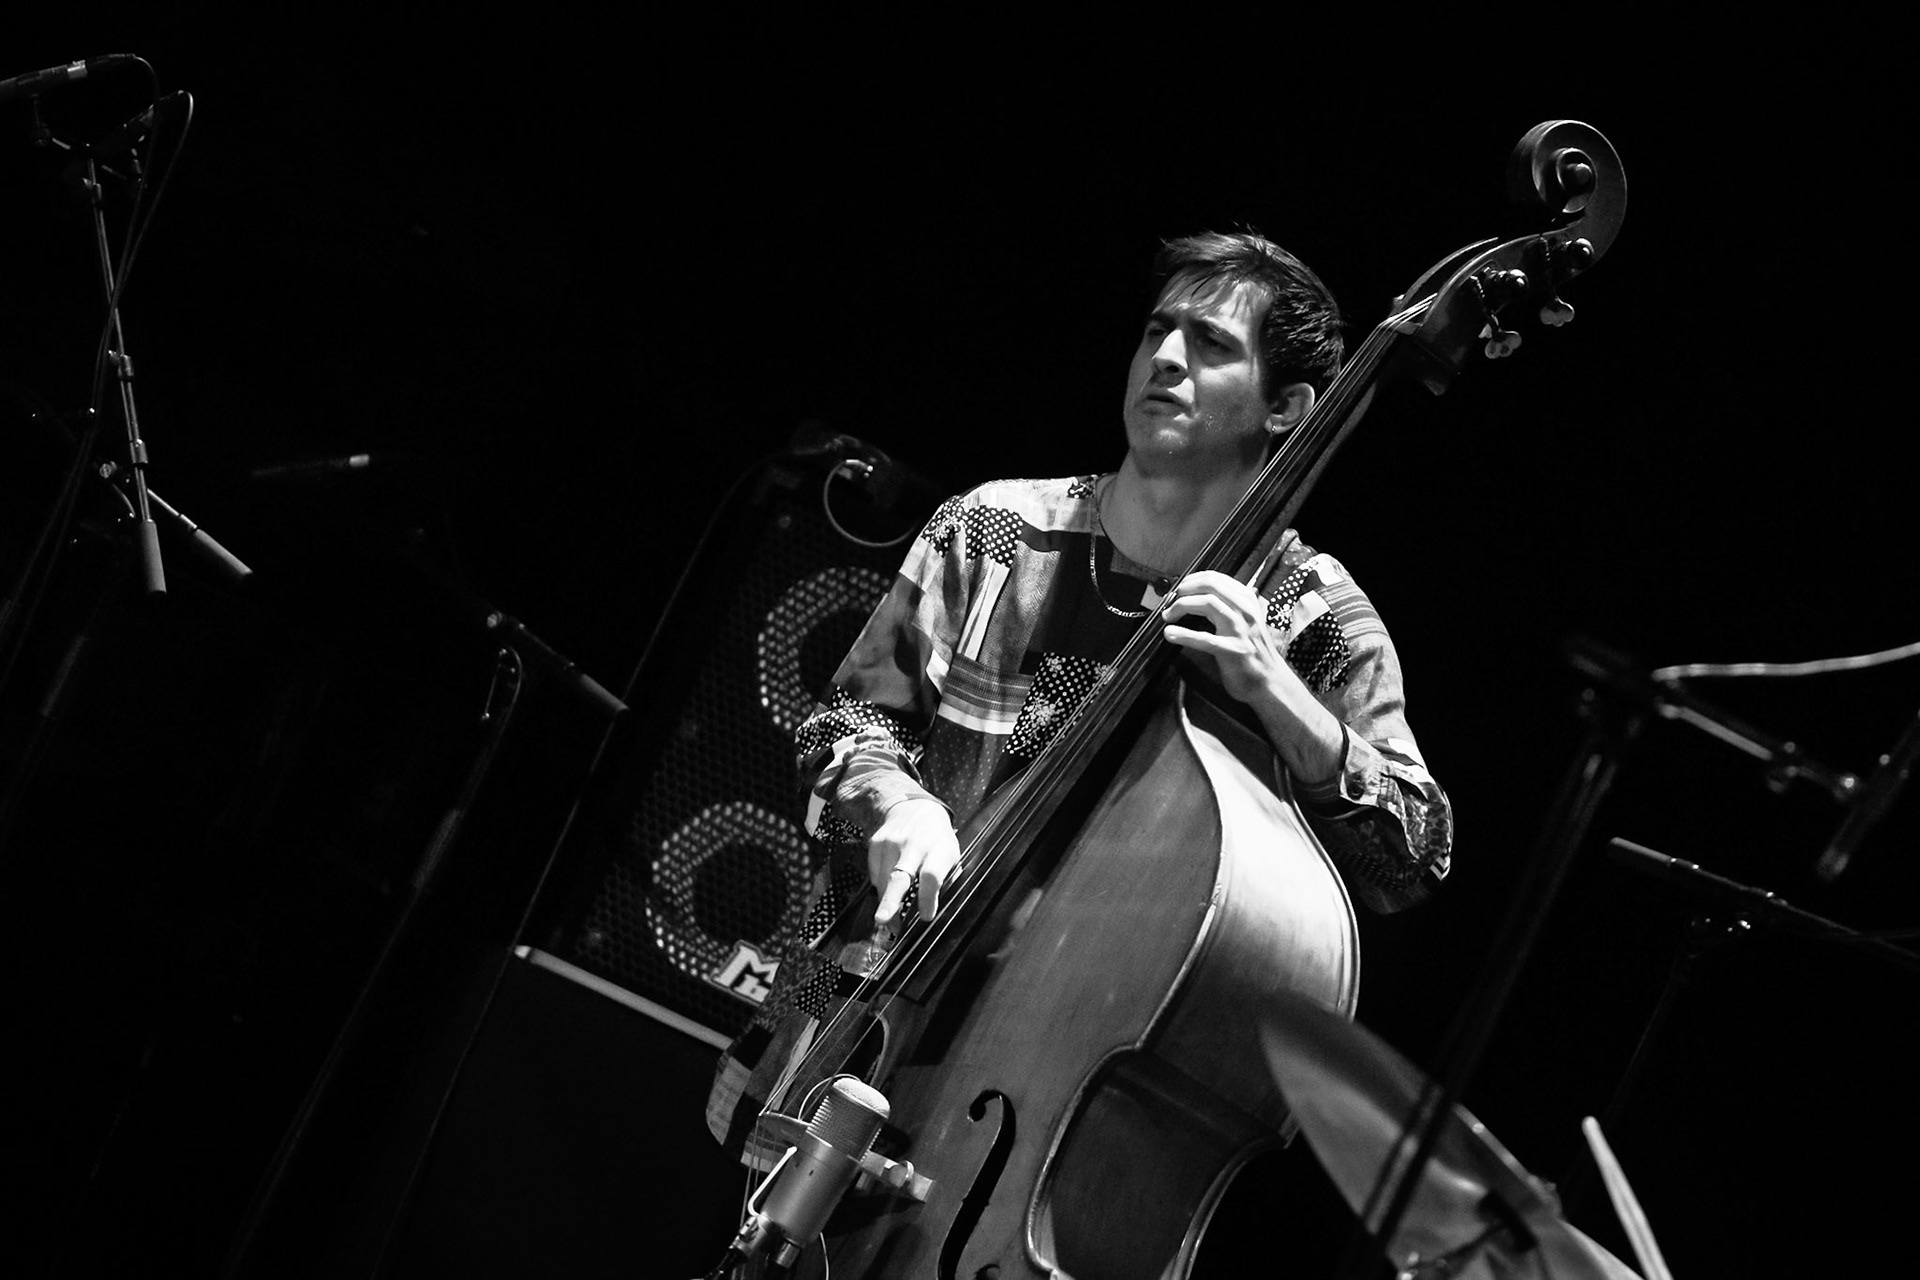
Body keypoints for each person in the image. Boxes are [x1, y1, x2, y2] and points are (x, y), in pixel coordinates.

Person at [706, 230, 1452, 1169]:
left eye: (1211, 344)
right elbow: (842, 723)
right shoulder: (993, 529)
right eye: (1156, 331)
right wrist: (897, 803)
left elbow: (1412, 856)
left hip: (1048, 1095)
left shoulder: (1312, 621)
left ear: (1288, 409)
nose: (1166, 358)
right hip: (847, 1018)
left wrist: (1277, 693)